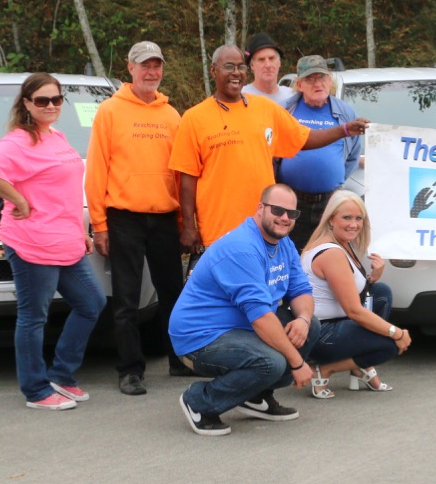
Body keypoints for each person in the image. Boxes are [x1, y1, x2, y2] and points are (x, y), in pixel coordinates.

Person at [170, 45, 368, 421]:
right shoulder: (194, 118)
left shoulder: (264, 109)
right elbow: (186, 177)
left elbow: (303, 138)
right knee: (245, 314)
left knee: (285, 319)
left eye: (239, 68)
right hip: (222, 232)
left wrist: (343, 129)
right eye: (228, 66)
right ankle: (219, 388)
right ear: (212, 70)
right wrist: (189, 226)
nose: (236, 73)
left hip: (264, 229)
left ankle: (256, 393)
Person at [0, 74, 106, 410]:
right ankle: (35, 390)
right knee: (34, 317)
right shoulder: (18, 141)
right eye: (42, 101)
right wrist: (18, 200)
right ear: (26, 104)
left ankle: (62, 375)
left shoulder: (57, 137)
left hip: (66, 241)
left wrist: (81, 231)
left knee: (92, 303)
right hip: (33, 242)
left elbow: (63, 192)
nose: (50, 106)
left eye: (56, 99)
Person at [172, 186, 320, 434]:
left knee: (311, 325)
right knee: (271, 362)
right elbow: (261, 318)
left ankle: (255, 396)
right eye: (278, 210)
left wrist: (303, 320)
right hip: (200, 337)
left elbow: (301, 291)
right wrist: (296, 363)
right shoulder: (242, 247)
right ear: (260, 208)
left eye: (291, 213)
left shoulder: (284, 245)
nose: (285, 218)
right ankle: (199, 401)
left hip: (241, 326)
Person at [85, 41, 187, 397]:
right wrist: (99, 224)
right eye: (144, 65)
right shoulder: (110, 111)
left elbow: (180, 172)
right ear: (130, 68)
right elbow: (96, 170)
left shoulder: (172, 115)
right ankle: (130, 370)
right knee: (126, 300)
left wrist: (183, 221)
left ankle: (179, 359)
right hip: (124, 217)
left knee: (173, 294)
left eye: (157, 65)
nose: (151, 72)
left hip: (164, 218)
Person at [301, 191, 409, 397]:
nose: (354, 224)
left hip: (334, 323)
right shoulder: (331, 253)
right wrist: (397, 332)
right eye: (347, 217)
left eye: (359, 218)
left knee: (380, 292)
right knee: (389, 345)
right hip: (321, 334)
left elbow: (351, 293)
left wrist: (372, 278)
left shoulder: (341, 243)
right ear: (331, 219)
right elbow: (354, 310)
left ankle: (359, 366)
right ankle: (327, 369)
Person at [277, 55, 362, 250]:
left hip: (329, 202)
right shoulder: (286, 111)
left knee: (327, 255)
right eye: (311, 78)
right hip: (292, 202)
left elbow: (353, 155)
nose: (318, 83)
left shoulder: (345, 113)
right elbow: (273, 155)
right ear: (299, 84)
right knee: (289, 254)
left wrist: (334, 178)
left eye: (322, 77)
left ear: (330, 80)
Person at [243, 32, 295, 102]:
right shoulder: (241, 97)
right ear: (252, 65)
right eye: (261, 60)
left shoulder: (292, 97)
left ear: (279, 62)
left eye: (271, 58)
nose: (268, 65)